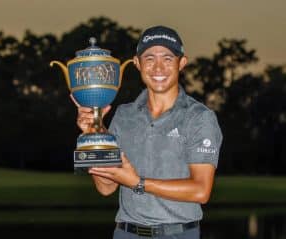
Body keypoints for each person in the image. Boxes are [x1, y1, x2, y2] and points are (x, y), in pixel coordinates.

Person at [75, 25, 223, 239]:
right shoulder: (124, 115)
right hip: (126, 232)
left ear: (182, 63)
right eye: (150, 58)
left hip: (178, 234)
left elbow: (201, 191)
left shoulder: (199, 117)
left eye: (168, 58)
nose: (158, 67)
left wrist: (138, 183)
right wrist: (94, 134)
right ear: (137, 63)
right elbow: (106, 187)